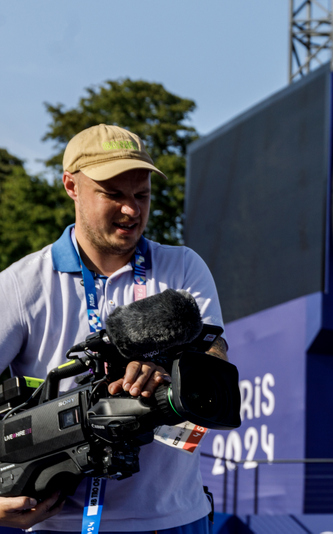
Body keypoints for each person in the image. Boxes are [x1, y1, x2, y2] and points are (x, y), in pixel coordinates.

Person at [0, 124, 227, 532]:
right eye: (114, 195)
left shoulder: (184, 267)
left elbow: (214, 359)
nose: (132, 210)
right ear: (71, 186)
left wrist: (166, 378)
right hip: (57, 524)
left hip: (173, 520)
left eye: (142, 195)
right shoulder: (21, 284)